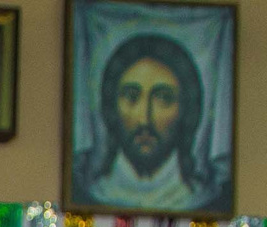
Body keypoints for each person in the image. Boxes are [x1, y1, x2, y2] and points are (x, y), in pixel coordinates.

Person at [73, 33, 229, 215]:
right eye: (131, 97)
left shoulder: (201, 195)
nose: (144, 119)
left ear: (187, 111)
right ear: (111, 107)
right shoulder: (96, 190)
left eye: (163, 99)